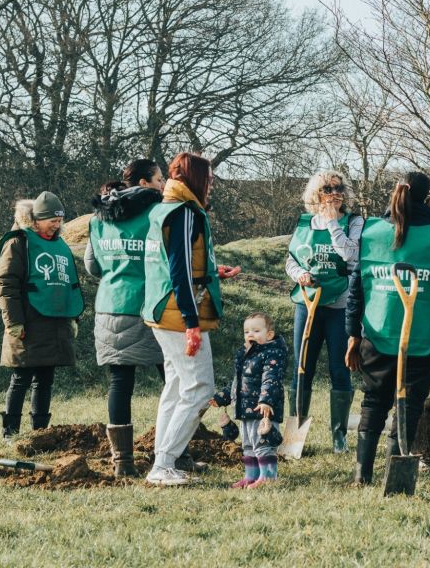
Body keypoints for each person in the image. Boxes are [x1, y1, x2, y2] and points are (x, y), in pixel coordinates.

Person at [344, 171, 430, 484]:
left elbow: (357, 288)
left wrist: (353, 335)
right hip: (424, 336)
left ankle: (362, 475)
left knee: (373, 402)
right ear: (428, 198)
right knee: (408, 407)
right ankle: (395, 474)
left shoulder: (370, 231)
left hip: (376, 333)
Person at [143, 152, 241, 486]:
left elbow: (181, 263)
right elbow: (179, 270)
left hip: (161, 310)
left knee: (176, 386)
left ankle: (163, 461)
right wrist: (191, 323)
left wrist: (213, 272)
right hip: (177, 314)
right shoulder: (185, 213)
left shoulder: (164, 208)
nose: (211, 185)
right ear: (194, 179)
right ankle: (163, 464)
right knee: (200, 388)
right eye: (209, 179)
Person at [85, 159, 165, 477]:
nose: (163, 184)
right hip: (148, 305)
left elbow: (92, 267)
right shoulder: (156, 214)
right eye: (159, 179)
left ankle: (122, 462)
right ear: (144, 184)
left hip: (109, 305)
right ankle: (177, 452)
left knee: (120, 383)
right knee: (172, 381)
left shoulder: (98, 217)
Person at [285, 170, 364, 453]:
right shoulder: (305, 223)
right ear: (316, 195)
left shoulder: (354, 222)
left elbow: (350, 255)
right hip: (307, 303)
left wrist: (333, 224)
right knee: (301, 367)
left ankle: (338, 438)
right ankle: (294, 439)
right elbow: (291, 260)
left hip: (339, 304)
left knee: (339, 368)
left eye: (339, 188)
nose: (334, 193)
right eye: (328, 189)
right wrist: (300, 274)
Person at [0, 191, 84, 442]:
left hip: (55, 323)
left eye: (59, 220)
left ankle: (40, 433)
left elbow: (67, 284)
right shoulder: (19, 242)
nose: (56, 225)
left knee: (46, 379)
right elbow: (6, 283)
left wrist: (72, 318)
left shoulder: (60, 245)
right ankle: (10, 432)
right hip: (28, 322)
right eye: (51, 221)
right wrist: (13, 321)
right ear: (37, 219)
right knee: (21, 377)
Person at [210, 312, 287, 489]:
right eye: (246, 331)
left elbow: (271, 378)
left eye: (256, 330)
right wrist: (223, 397)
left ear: (269, 335)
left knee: (262, 442)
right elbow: (239, 382)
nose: (250, 334)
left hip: (263, 409)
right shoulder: (245, 355)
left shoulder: (272, 353)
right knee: (248, 445)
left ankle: (267, 476)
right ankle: (251, 475)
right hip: (246, 409)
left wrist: (266, 400)